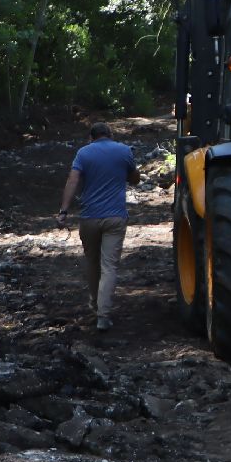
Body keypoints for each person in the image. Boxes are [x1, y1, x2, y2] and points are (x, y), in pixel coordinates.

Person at [57, 122, 139, 331]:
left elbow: (72, 181)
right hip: (115, 218)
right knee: (109, 265)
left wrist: (64, 211)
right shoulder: (124, 151)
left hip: (89, 218)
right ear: (110, 135)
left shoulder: (83, 153)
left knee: (93, 263)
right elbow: (135, 179)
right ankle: (103, 315)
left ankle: (95, 304)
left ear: (91, 137)